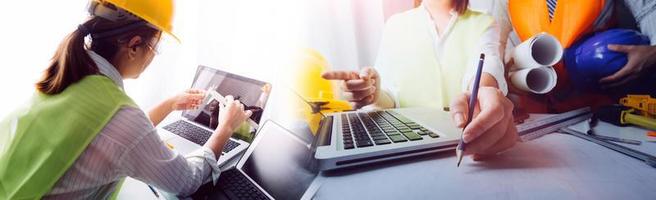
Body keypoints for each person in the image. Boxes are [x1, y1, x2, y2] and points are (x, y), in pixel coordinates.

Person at [0, 0, 251, 199]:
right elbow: (186, 181)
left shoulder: (68, 76)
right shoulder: (120, 117)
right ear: (134, 46)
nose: (153, 56)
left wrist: (170, 104)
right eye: (155, 47)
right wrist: (225, 127)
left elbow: (106, 139)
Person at [322, 0, 518, 161]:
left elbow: (487, 64)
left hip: (460, 145)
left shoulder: (485, 22)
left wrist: (484, 92)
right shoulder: (396, 25)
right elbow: (389, 96)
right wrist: (373, 92)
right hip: (404, 148)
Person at [496, 0, 656, 113]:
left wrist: (652, 53)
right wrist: (502, 75)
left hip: (600, 108)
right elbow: (496, 41)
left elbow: (650, 9)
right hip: (536, 111)